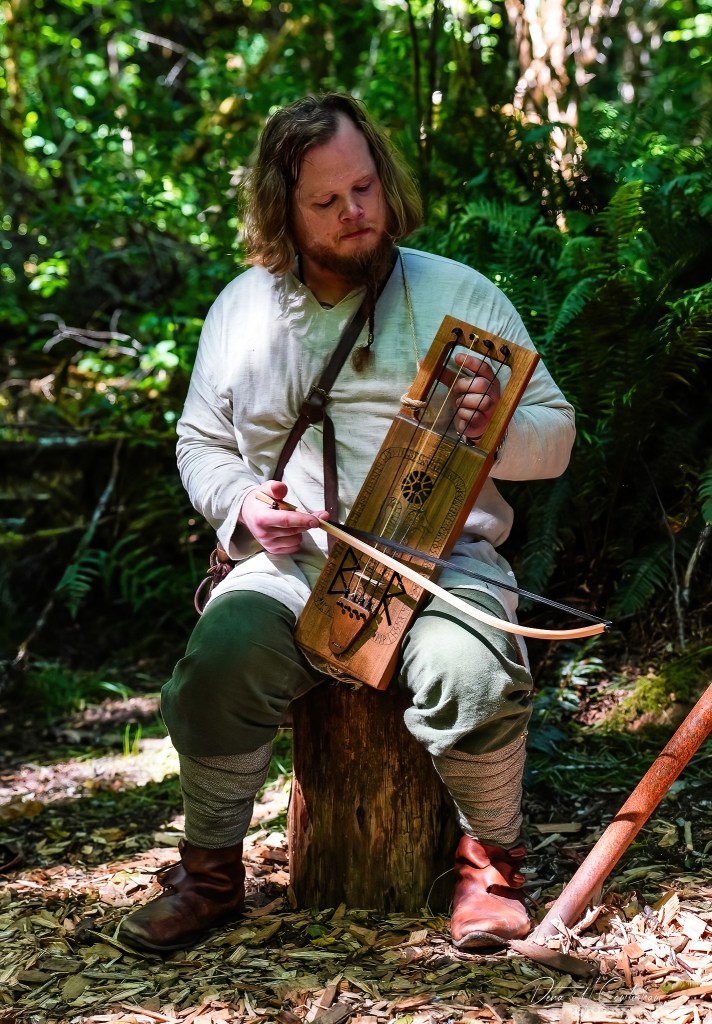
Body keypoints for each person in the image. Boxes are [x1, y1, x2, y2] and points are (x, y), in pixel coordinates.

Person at [118, 93, 575, 954]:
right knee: (218, 663)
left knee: (474, 677)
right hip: (296, 568)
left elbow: (556, 438)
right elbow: (200, 442)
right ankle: (209, 874)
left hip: (444, 562)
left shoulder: (457, 291)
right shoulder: (241, 309)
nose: (354, 211)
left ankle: (491, 867)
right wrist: (243, 505)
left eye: (363, 188)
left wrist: (495, 426)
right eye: (325, 201)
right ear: (281, 210)